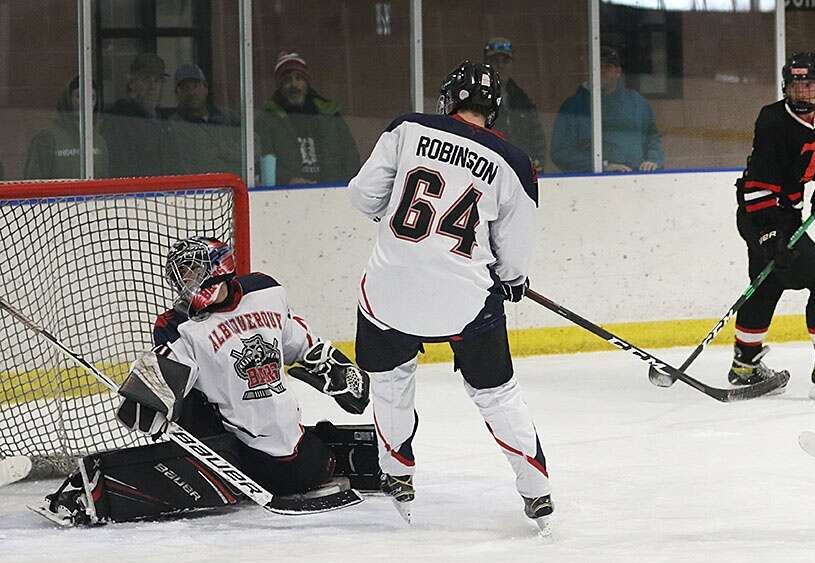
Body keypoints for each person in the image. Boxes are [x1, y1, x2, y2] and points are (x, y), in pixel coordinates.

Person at [34, 237, 379, 526]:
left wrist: (334, 369)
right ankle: (92, 488)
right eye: (181, 276)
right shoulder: (179, 326)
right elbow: (153, 394)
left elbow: (300, 344)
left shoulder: (266, 290)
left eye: (195, 271)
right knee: (196, 439)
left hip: (293, 451)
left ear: (221, 267)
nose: (189, 282)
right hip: (234, 453)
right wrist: (146, 400)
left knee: (310, 463)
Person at [347, 61, 551, 530]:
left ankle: (397, 472)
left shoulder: (407, 128)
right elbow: (514, 254)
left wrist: (393, 219)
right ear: (493, 109)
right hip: (464, 300)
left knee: (391, 381)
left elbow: (362, 197)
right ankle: (536, 490)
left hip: (389, 291)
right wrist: (512, 278)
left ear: (450, 99)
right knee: (497, 395)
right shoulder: (515, 162)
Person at [729, 52, 815, 399]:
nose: (802, 92)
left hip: (785, 217)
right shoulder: (772, 120)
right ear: (786, 88)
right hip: (761, 215)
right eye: (795, 86)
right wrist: (770, 234)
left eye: (808, 85)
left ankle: (745, 365)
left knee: (767, 285)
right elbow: (758, 184)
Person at [551, 45, 663, 173]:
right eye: (597, 67)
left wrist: (653, 159)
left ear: (618, 72)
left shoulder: (637, 102)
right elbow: (560, 152)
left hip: (636, 179)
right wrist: (602, 166)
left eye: (607, 67)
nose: (601, 71)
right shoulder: (573, 106)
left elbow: (653, 136)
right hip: (590, 184)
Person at [258, 51, 362, 185]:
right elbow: (261, 160)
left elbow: (350, 156)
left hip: (333, 192)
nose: (294, 85)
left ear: (307, 82)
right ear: (280, 86)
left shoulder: (329, 114)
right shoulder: (267, 119)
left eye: (299, 78)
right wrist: (287, 180)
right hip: (287, 195)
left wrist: (345, 185)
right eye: (287, 80)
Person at [23, 76, 106, 180]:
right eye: (79, 96)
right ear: (68, 100)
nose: (86, 102)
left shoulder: (99, 141)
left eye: (92, 97)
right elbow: (33, 182)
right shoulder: (47, 139)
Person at [103, 52, 172, 177]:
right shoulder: (120, 119)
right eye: (146, 79)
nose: (152, 86)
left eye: (157, 80)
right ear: (132, 82)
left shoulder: (163, 122)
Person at [483, 37, 547, 173]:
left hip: (518, 172)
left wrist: (537, 162)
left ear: (512, 64)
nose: (500, 66)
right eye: (495, 61)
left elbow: (537, 137)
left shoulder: (522, 99)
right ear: (486, 64)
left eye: (505, 61)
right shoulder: (477, 99)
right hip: (488, 173)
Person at [167, 64, 240, 176]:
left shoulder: (229, 117)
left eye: (195, 86)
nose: (191, 92)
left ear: (205, 88)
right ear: (177, 93)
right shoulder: (172, 126)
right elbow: (194, 162)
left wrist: (225, 152)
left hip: (234, 185)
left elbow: (252, 151)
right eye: (185, 88)